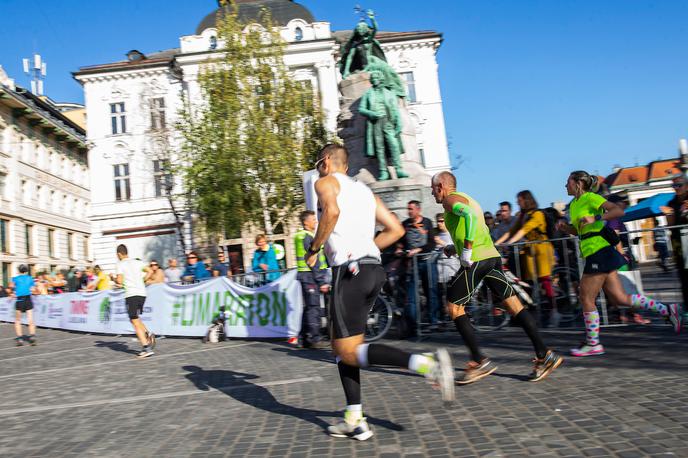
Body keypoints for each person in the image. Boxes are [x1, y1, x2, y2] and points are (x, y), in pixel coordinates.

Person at [306, 144, 454, 440]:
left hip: (349, 270)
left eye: (317, 163)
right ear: (347, 166)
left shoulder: (324, 182)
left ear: (325, 162)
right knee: (347, 349)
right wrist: (369, 248)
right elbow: (396, 231)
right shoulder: (364, 191)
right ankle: (354, 418)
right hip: (373, 268)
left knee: (344, 349)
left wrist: (314, 248)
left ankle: (425, 365)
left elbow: (331, 212)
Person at [431, 171, 563, 383]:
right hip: (491, 257)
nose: (431, 193)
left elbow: (469, 217)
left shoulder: (449, 200)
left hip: (476, 260)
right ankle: (544, 354)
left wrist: (465, 251)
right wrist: (453, 248)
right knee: (515, 306)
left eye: (433, 189)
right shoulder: (468, 198)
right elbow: (474, 228)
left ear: (441, 187)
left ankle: (478, 361)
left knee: (455, 308)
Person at [557, 170, 682, 357]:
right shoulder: (574, 205)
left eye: (568, 182)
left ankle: (593, 343)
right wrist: (565, 227)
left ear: (578, 184)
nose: (565, 185)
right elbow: (579, 231)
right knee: (620, 298)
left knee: (586, 297)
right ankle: (667, 309)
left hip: (599, 251)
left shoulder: (591, 197)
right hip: (594, 252)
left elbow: (617, 210)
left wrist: (597, 218)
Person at [495, 190, 558, 327]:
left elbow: (524, 230)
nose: (517, 202)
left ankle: (554, 312)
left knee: (544, 280)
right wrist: (497, 243)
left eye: (519, 199)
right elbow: (511, 232)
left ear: (526, 200)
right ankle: (528, 313)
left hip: (541, 250)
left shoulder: (537, 214)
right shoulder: (523, 215)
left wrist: (510, 243)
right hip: (529, 252)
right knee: (526, 283)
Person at [294, 210, 331, 349]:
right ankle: (315, 339)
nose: (316, 221)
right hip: (309, 275)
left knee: (309, 307)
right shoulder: (306, 237)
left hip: (306, 275)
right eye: (313, 219)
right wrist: (321, 281)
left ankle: (303, 339)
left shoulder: (304, 235)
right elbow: (312, 260)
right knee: (314, 308)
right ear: (306, 222)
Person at [402, 200, 440, 332]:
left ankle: (433, 321)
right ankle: (413, 324)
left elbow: (432, 243)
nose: (409, 211)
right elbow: (401, 240)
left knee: (431, 291)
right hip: (413, 264)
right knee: (412, 295)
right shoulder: (405, 224)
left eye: (411, 209)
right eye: (408, 209)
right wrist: (399, 248)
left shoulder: (427, 222)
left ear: (418, 210)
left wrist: (418, 250)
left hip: (427, 262)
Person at [115, 244, 156, 358]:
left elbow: (119, 281)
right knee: (136, 318)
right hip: (142, 293)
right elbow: (150, 271)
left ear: (119, 254)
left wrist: (113, 278)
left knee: (134, 321)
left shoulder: (120, 264)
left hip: (131, 294)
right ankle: (148, 334)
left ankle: (146, 348)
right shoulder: (137, 262)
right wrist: (143, 280)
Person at [663, 174, 688, 309]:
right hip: (679, 244)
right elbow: (670, 226)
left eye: (679, 185)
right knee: (683, 277)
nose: (676, 188)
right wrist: (669, 215)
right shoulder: (672, 203)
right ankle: (686, 307)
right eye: (674, 186)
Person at [9, 265, 37, 346]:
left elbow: (11, 286)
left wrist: (13, 292)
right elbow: (33, 289)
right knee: (30, 320)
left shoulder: (15, 278)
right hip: (28, 299)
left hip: (20, 300)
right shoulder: (30, 278)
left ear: (19, 270)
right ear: (26, 270)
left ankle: (20, 339)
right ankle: (32, 337)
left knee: (18, 320)